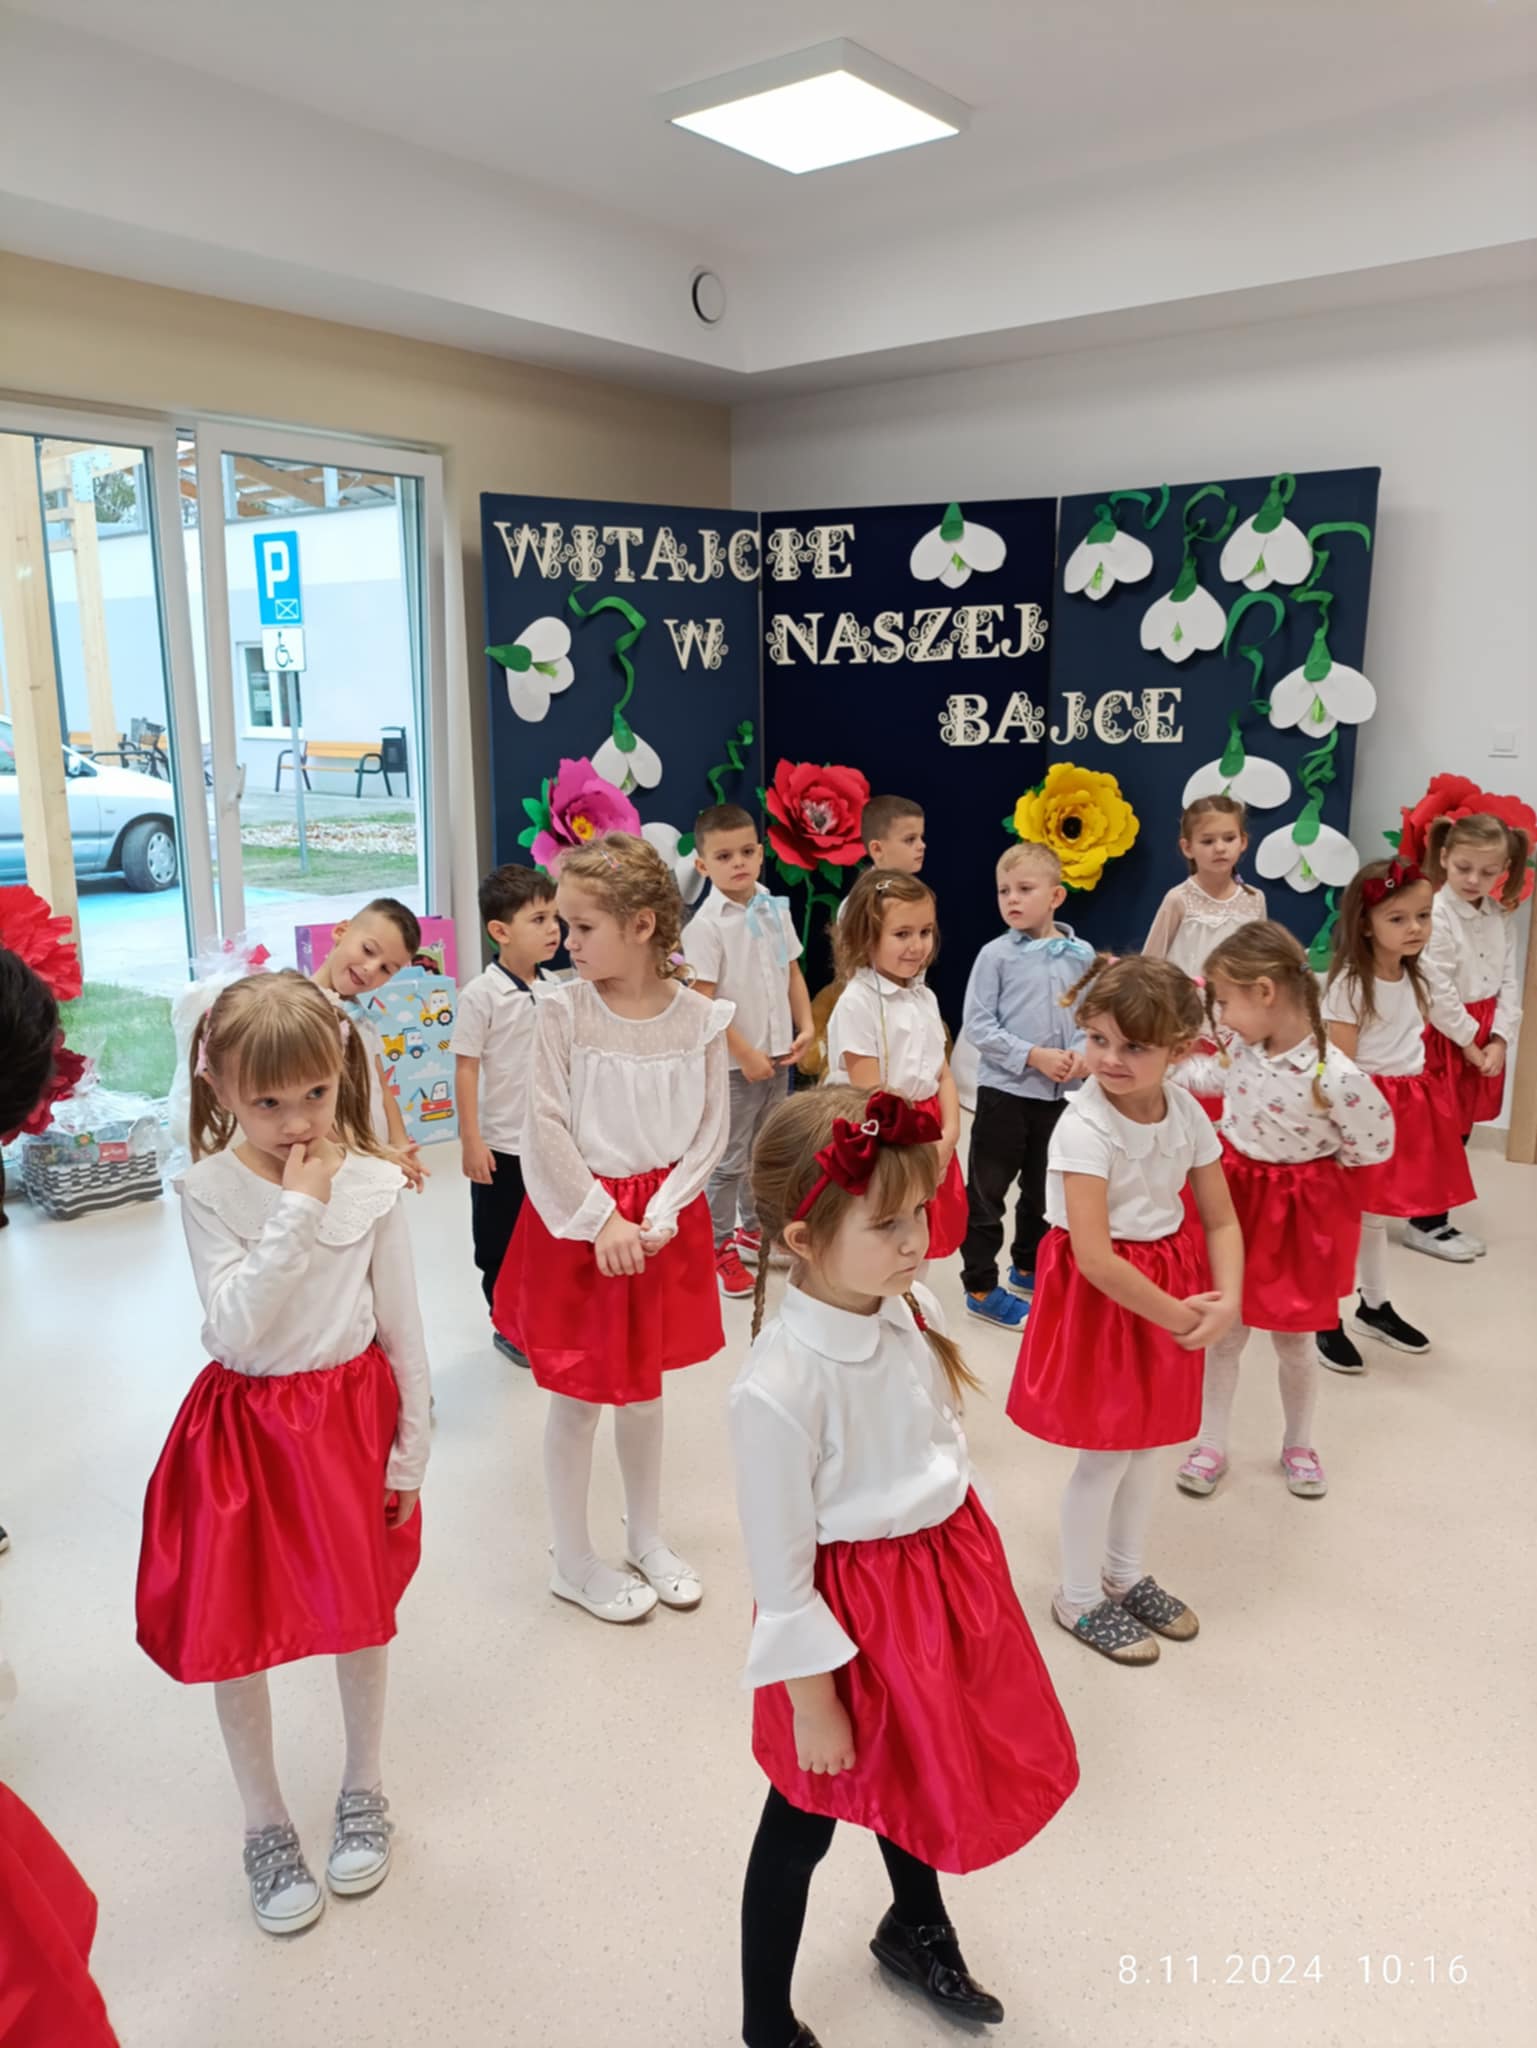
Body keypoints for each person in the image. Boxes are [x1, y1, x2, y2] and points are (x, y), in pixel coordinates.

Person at [732, 1086, 1078, 2048]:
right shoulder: (776, 1388)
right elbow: (780, 1575)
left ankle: (914, 1927)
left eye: (919, 1212)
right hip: (844, 1627)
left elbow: (938, 1441)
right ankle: (765, 2023)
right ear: (802, 1241)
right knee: (801, 1821)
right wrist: (813, 1704)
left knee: (917, 1772)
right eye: (885, 1225)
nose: (916, 1240)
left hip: (935, 1591)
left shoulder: (911, 1305)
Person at [135, 972, 430, 1935]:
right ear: (218, 1086)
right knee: (238, 1629)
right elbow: (233, 1329)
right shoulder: (208, 1190)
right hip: (247, 1439)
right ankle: (264, 1821)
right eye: (266, 1102)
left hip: (350, 1428)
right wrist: (299, 1209)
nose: (298, 1121)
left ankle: (364, 1785)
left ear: (338, 1071)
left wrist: (410, 1453)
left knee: (359, 1618)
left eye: (314, 1092)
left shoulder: (375, 1183)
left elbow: (403, 1328)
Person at [493, 832, 729, 1624]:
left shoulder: (700, 1018)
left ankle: (646, 1536)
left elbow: (710, 1131)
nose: (566, 941)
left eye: (583, 926)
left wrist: (662, 1213)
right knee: (579, 1397)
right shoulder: (561, 1009)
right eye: (562, 924)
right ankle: (571, 1557)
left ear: (641, 926)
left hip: (659, 1226)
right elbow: (543, 1128)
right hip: (581, 1223)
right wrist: (600, 1220)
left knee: (645, 1391)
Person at [1006, 956, 1243, 1665]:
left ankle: (1124, 1572)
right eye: (1098, 1039)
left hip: (1164, 1284)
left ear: (1179, 1050)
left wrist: (1229, 1298)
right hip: (1106, 1300)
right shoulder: (1083, 1128)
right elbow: (1095, 1258)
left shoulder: (1188, 1113)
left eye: (1133, 1046)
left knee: (1150, 1444)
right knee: (1107, 1454)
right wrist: (1180, 1316)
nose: (1109, 1058)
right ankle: (1078, 1596)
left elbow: (1221, 1219)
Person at [1173, 922, 1393, 1500]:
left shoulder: (1334, 1074)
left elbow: (1375, 1141)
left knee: (1295, 1340)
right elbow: (1210, 1077)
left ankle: (1299, 1444)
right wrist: (1165, 1065)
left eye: (1225, 1002)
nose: (1221, 1016)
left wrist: (1316, 1177)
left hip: (1297, 1218)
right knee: (1225, 1329)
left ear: (1265, 992)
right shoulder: (1245, 1049)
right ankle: (1211, 1442)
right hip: (1235, 1204)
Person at [1317, 858, 1475, 1369]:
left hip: (1407, 1105)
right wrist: (1345, 1129)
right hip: (1363, 1107)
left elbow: (1432, 1025)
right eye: (1398, 918)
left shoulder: (1417, 975)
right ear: (1365, 924)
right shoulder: (1350, 984)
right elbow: (1339, 1065)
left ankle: (1375, 1305)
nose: (1415, 928)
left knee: (1375, 1216)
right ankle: (1324, 1315)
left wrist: (1476, 1045)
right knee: (1345, 1218)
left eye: (1424, 916)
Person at [682, 803, 814, 1301]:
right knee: (730, 1159)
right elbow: (702, 1002)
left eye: (745, 852)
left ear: (760, 854)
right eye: (723, 856)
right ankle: (717, 1244)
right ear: (703, 865)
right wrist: (745, 1052)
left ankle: (754, 1230)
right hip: (736, 1066)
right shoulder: (706, 926)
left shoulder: (773, 908)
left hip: (778, 1058)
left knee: (767, 1151)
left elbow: (791, 971)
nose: (737, 862)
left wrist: (806, 1026)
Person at [958, 842, 1092, 1330]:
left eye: (1024, 889)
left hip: (1058, 1099)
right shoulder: (994, 956)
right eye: (1003, 891)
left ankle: (1028, 1266)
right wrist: (1034, 1056)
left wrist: (1080, 1054)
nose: (1011, 899)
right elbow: (979, 1025)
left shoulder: (1082, 954)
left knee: (1042, 1191)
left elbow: (1089, 1016)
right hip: (1004, 1096)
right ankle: (980, 1285)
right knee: (987, 1194)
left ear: (1056, 896)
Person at [1406, 811, 1530, 1260]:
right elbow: (1436, 989)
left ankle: (1434, 1216)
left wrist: (1500, 1039)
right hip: (1445, 1035)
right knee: (1438, 1133)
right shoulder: (1435, 915)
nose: (1475, 880)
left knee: (1460, 1130)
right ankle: (1426, 1223)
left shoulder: (1499, 916)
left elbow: (1509, 982)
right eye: (1464, 868)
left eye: (1488, 871)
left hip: (1481, 1036)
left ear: (1505, 870)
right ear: (1444, 857)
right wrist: (1471, 1044)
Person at [826, 869, 965, 1261]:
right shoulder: (858, 1002)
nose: (917, 946)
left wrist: (950, 1134)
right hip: (886, 1133)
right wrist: (922, 1147)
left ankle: (911, 1295)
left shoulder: (924, 996)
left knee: (922, 1235)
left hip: (929, 1129)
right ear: (866, 937)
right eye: (902, 934)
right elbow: (870, 1093)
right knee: (887, 1238)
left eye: (925, 932)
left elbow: (943, 1073)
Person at [451, 862, 562, 1357]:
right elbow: (466, 1068)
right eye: (539, 920)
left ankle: (543, 1313)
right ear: (500, 931)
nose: (554, 930)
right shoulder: (481, 995)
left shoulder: (555, 986)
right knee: (498, 1240)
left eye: (555, 918)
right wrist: (471, 1140)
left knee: (547, 1235)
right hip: (501, 1144)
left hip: (549, 1141)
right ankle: (507, 1324)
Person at [310, 896, 427, 1190]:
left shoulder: (363, 1019)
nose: (371, 969)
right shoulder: (303, 1015)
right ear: (341, 931)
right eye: (368, 950)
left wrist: (400, 1147)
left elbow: (383, 1088)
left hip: (375, 1159)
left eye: (387, 969)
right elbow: (309, 1109)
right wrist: (374, 1152)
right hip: (337, 1166)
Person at [1143, 795, 1268, 976]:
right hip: (1186, 994)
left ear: (1243, 842)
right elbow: (1149, 963)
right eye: (1208, 841)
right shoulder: (1179, 899)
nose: (1220, 848)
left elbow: (1260, 961)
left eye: (1229, 838)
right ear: (1187, 848)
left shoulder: (1254, 899)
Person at [833, 794, 926, 923]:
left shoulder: (916, 892)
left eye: (921, 837)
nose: (922, 845)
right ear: (877, 849)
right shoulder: (862, 905)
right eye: (910, 839)